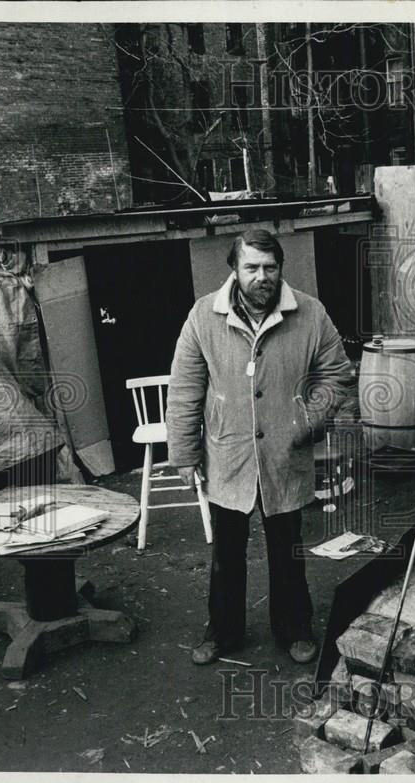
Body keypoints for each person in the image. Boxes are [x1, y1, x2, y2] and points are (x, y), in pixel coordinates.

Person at [166, 229, 352, 665]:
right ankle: (223, 632)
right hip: (227, 452)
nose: (261, 276)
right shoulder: (202, 317)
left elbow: (338, 376)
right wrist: (184, 453)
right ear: (235, 269)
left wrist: (305, 420)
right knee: (226, 553)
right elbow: (185, 389)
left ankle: (294, 628)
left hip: (284, 454)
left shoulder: (310, 313)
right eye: (251, 267)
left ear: (280, 268)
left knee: (287, 549)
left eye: (270, 267)